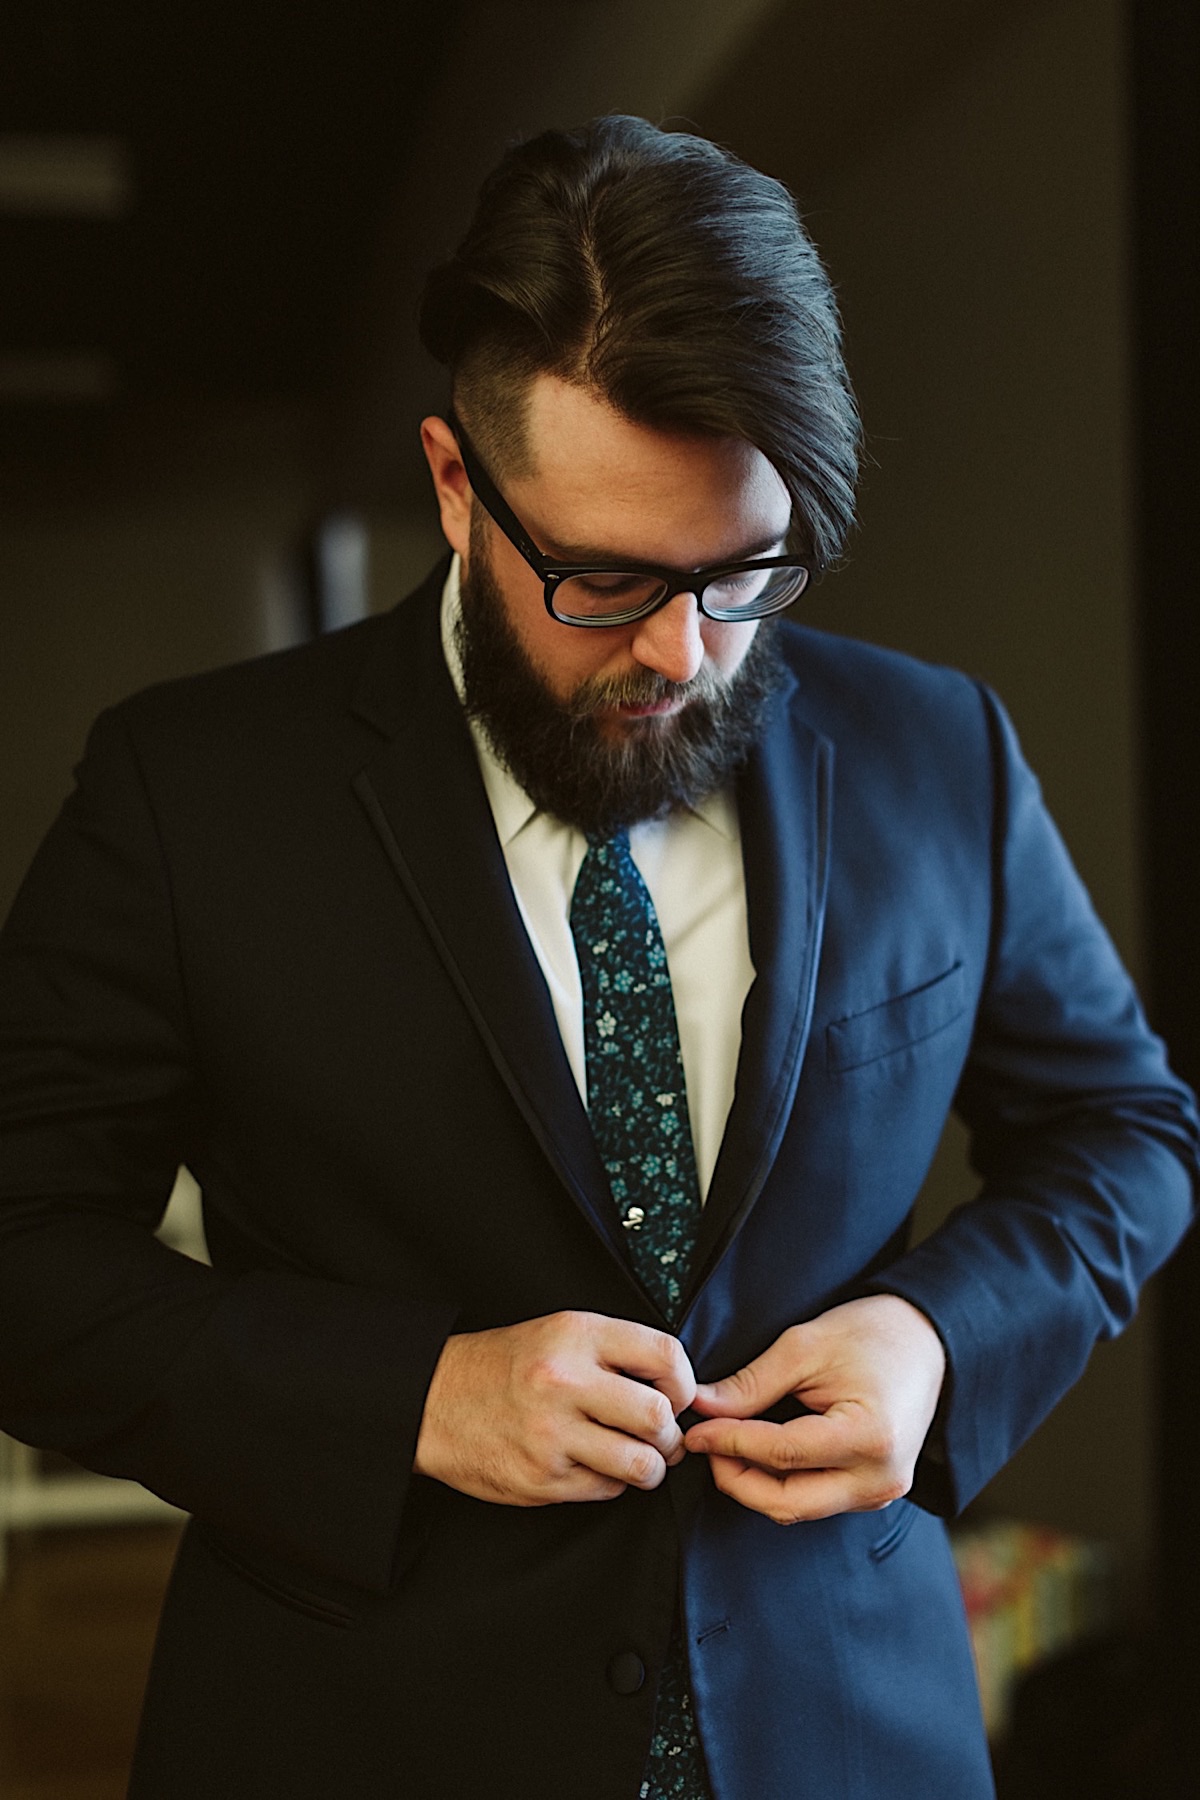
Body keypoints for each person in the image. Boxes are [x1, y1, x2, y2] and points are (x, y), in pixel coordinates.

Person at [0, 115, 1194, 1800]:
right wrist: (404, 1397)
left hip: (852, 1736)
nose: (685, 655)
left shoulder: (944, 751)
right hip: (361, 1736)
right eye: (605, 577)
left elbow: (1123, 1131)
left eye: (743, 571)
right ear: (451, 486)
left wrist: (935, 1341)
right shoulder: (185, 792)